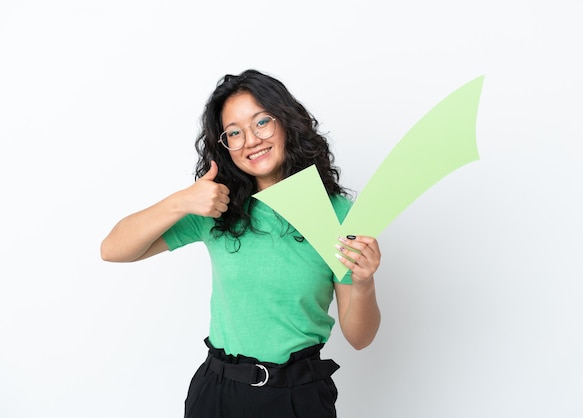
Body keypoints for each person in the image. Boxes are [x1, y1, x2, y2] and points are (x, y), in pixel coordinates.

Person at [100, 69, 382, 418]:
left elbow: (359, 337)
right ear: (224, 145)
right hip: (218, 394)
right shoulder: (217, 206)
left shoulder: (336, 213)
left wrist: (365, 282)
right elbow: (112, 249)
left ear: (287, 122)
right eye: (234, 132)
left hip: (300, 397)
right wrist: (182, 201)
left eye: (261, 122)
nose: (250, 139)